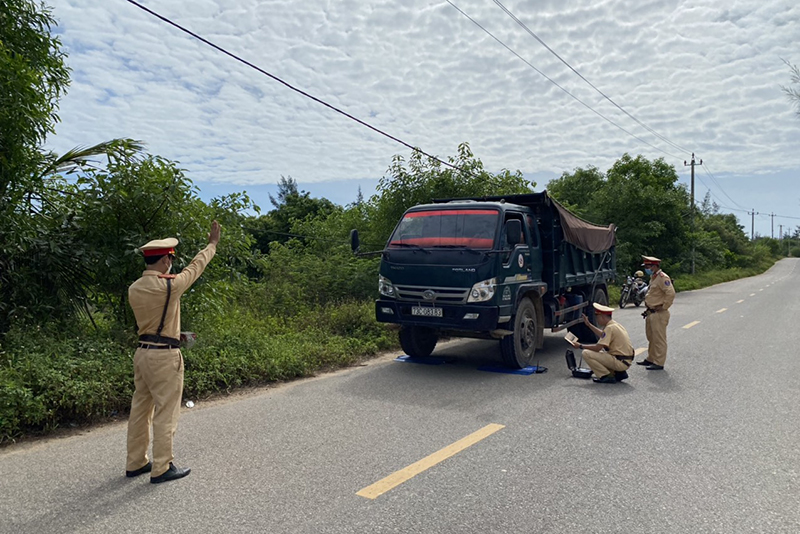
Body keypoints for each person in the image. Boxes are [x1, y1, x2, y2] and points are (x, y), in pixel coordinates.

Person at [125, 221, 220, 483]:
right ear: (166, 260)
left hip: (142, 353)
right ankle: (162, 467)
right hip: (165, 356)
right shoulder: (170, 286)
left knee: (140, 409)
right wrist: (211, 245)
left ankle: (135, 462)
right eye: (170, 258)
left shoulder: (134, 288)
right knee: (166, 411)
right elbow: (195, 267)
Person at [569, 303, 634, 384]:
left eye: (597, 317)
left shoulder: (609, 328)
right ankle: (618, 373)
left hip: (620, 362)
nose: (597, 320)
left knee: (586, 353)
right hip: (624, 361)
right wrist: (589, 325)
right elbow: (603, 335)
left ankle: (606, 376)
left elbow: (597, 348)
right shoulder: (615, 325)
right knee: (601, 353)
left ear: (602, 316)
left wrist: (581, 346)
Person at [636, 255, 675, 370]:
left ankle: (659, 362)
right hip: (651, 312)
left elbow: (670, 293)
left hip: (659, 313)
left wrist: (663, 306)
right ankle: (651, 358)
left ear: (654, 266)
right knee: (651, 338)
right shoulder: (653, 278)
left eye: (648, 266)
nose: (646, 269)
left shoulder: (663, 278)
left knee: (659, 339)